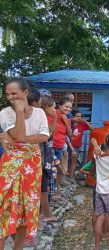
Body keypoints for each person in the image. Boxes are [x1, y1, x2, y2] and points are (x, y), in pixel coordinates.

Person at [0, 78, 50, 250]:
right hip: (11, 165)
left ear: (25, 93)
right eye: (7, 94)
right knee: (4, 208)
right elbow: (19, 133)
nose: (10, 97)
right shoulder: (5, 113)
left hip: (32, 166)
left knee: (25, 209)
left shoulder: (39, 113)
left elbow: (44, 137)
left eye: (14, 93)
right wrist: (19, 112)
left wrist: (16, 140)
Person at [38, 95, 59, 224]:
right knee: (43, 189)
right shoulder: (41, 120)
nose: (55, 110)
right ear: (46, 107)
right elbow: (49, 135)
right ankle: (45, 214)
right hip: (42, 158)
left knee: (44, 188)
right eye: (54, 107)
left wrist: (55, 117)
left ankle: (46, 213)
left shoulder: (45, 119)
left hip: (46, 156)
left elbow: (52, 132)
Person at [51, 98, 73, 190]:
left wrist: (66, 122)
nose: (68, 109)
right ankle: (49, 189)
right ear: (59, 106)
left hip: (60, 146)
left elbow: (70, 134)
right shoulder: (51, 114)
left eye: (70, 107)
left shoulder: (67, 118)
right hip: (51, 145)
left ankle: (57, 186)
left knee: (58, 169)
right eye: (66, 106)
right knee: (51, 168)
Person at [70, 109, 93, 179]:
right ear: (73, 117)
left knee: (73, 162)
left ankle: (71, 176)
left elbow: (92, 129)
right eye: (77, 116)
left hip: (77, 146)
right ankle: (66, 175)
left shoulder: (82, 124)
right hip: (68, 145)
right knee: (67, 161)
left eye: (80, 116)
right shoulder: (69, 123)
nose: (79, 118)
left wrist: (85, 121)